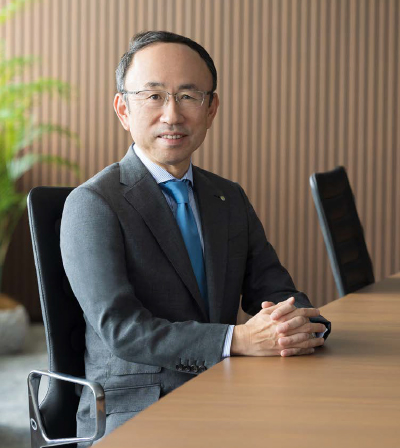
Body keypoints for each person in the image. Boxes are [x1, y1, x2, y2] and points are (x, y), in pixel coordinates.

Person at [60, 30, 331, 442]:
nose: (172, 115)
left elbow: (276, 288)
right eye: (153, 96)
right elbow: (123, 330)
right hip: (135, 409)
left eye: (188, 96)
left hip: (230, 391)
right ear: (123, 109)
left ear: (211, 109)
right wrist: (237, 338)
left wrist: (301, 326)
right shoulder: (93, 204)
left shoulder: (228, 197)